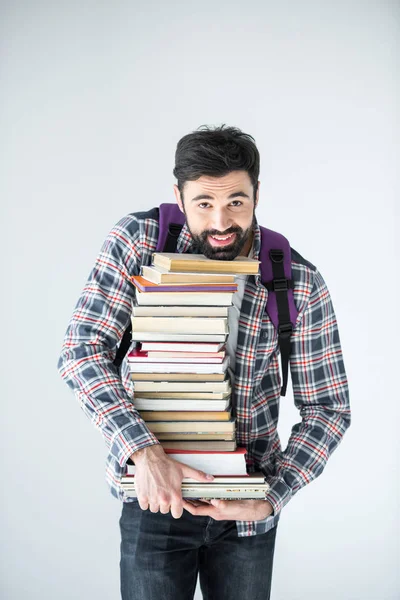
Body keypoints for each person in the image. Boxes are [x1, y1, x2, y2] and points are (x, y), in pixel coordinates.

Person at [58, 125, 351, 600]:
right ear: (178, 195)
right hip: (154, 497)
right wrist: (144, 453)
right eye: (203, 204)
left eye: (236, 201)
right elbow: (83, 349)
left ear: (257, 193)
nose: (220, 222)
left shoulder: (297, 279)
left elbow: (329, 408)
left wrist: (272, 497)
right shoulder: (138, 240)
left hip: (246, 515)